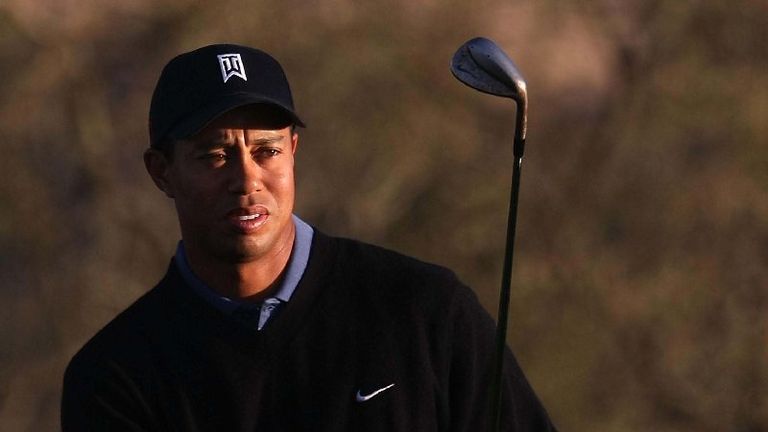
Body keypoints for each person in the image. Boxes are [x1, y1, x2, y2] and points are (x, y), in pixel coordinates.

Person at [61, 43, 556, 431]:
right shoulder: (114, 376)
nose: (246, 179)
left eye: (267, 150)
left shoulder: (427, 312)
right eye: (214, 156)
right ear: (161, 171)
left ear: (294, 151)